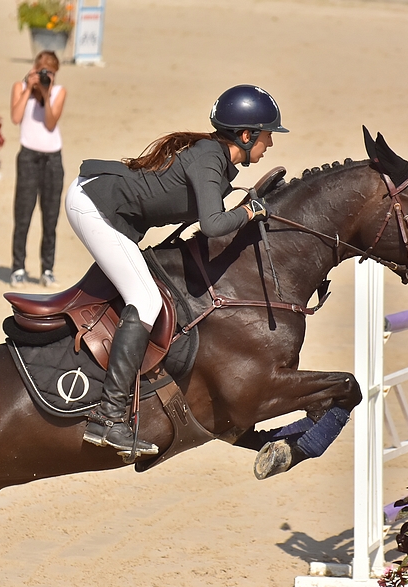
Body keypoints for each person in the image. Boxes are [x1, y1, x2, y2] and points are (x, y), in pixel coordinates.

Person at [64, 84, 288, 457]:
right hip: (93, 202)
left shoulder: (216, 160)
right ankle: (109, 417)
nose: (270, 144)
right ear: (246, 136)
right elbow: (214, 224)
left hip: (106, 205)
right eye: (267, 136)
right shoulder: (208, 158)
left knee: (143, 293)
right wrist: (250, 212)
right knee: (146, 300)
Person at [9, 50, 67, 288]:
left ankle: (47, 269)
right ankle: (18, 267)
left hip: (53, 159)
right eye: (42, 71)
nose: (46, 76)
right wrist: (28, 88)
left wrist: (46, 91)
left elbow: (51, 122)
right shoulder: (19, 87)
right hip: (28, 157)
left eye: (50, 73)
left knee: (50, 217)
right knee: (23, 214)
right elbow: (15, 117)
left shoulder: (58, 92)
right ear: (34, 68)